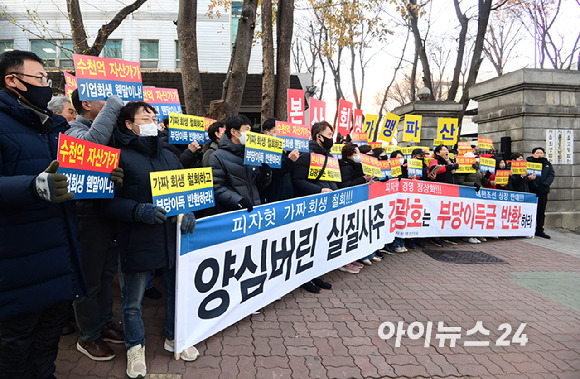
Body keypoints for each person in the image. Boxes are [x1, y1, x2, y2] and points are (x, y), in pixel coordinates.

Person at [0, 49, 85, 378]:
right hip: (17, 265)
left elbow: (72, 179)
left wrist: (103, 181)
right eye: (39, 78)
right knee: (14, 350)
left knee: (46, 347)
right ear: (13, 80)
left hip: (59, 259)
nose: (46, 85)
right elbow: (38, 182)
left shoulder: (53, 127)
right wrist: (32, 186)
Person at [102, 101, 199, 378]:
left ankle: (173, 337)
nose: (152, 120)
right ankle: (134, 347)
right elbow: (104, 203)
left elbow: (184, 191)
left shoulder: (168, 155)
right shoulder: (116, 156)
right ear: (129, 125)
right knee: (132, 302)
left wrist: (188, 210)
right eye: (145, 116)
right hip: (137, 238)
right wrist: (135, 210)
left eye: (154, 116)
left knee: (174, 293)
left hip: (171, 238)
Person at [67, 89, 126, 360]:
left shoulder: (109, 129)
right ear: (87, 104)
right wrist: (114, 105)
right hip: (86, 216)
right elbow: (93, 146)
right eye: (106, 99)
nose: (113, 103)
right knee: (89, 280)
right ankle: (88, 335)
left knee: (104, 277)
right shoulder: (71, 131)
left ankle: (103, 323)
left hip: (106, 214)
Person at [291, 121, 336, 293]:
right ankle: (303, 278)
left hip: (325, 206)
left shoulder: (329, 157)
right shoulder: (306, 155)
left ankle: (315, 274)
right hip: (310, 205)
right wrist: (319, 190)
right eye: (329, 135)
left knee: (319, 243)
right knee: (306, 244)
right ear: (319, 136)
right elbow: (298, 181)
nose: (332, 138)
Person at [209, 114, 271, 214]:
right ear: (233, 132)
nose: (249, 134)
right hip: (232, 213)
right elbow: (216, 187)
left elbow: (257, 184)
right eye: (246, 130)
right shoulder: (217, 156)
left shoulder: (251, 154)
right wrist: (238, 201)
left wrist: (265, 176)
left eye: (250, 130)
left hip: (254, 210)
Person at [338, 143, 375, 270]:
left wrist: (367, 179)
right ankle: (344, 262)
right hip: (348, 204)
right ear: (349, 155)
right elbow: (346, 185)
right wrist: (363, 179)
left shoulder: (356, 166)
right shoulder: (346, 167)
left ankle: (351, 259)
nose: (359, 156)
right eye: (356, 153)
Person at [259, 118, 300, 203]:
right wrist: (289, 161)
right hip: (272, 200)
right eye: (275, 132)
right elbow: (272, 174)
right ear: (266, 133)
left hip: (289, 199)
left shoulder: (287, 150)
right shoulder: (262, 152)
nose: (280, 136)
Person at [527, 147, 555, 239]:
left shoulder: (547, 164)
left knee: (541, 211)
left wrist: (544, 185)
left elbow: (551, 175)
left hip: (543, 190)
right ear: (533, 154)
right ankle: (528, 229)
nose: (540, 154)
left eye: (541, 153)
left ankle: (539, 229)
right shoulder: (528, 163)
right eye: (538, 153)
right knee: (530, 210)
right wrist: (533, 183)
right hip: (531, 190)